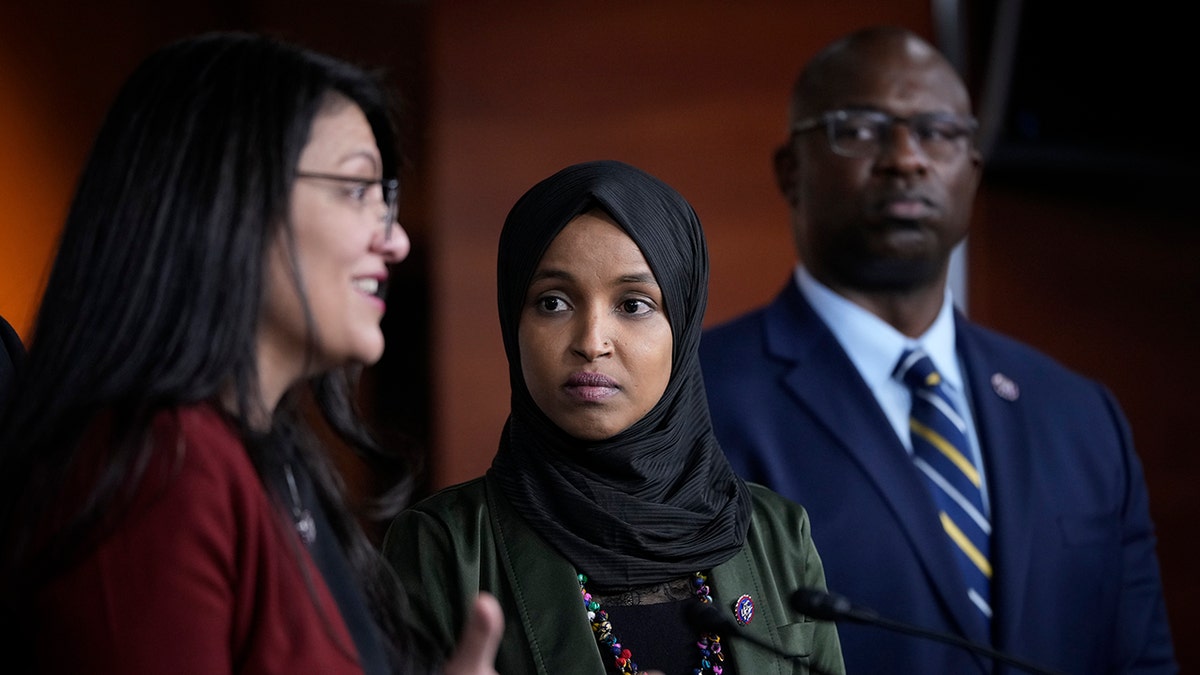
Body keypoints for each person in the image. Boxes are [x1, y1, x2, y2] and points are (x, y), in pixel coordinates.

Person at [0, 32, 502, 674]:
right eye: (357, 190)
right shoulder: (159, 464)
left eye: (388, 198)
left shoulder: (270, 458)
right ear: (229, 197)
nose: (396, 240)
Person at [699, 25, 1177, 675]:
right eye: (861, 128)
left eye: (938, 131)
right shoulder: (693, 402)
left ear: (972, 172)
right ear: (791, 171)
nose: (906, 157)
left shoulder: (1083, 416)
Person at [383, 159, 845, 675]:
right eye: (553, 302)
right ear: (512, 320)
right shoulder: (443, 548)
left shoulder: (779, 535)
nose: (591, 343)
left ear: (684, 327)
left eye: (633, 304)